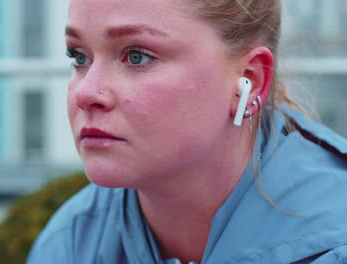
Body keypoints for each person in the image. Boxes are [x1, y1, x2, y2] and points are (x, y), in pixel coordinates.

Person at [27, 0, 347, 263]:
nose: (86, 93)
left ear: (249, 81)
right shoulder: (71, 242)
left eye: (136, 56)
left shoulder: (334, 246)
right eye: (78, 57)